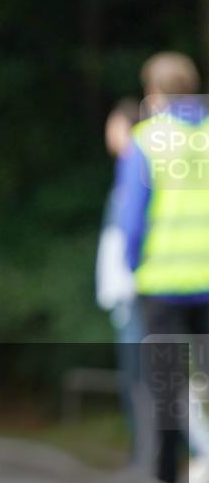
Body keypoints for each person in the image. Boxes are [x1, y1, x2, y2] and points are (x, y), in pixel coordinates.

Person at [114, 51, 209, 483]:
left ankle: (170, 477)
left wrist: (134, 267)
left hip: (165, 280)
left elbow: (131, 217)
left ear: (154, 92)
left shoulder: (147, 139)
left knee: (168, 381)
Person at [95, 98, 144, 464]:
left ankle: (150, 459)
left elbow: (128, 235)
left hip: (138, 292)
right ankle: (144, 457)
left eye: (113, 125)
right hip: (129, 294)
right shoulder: (127, 171)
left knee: (143, 378)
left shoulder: (138, 168)